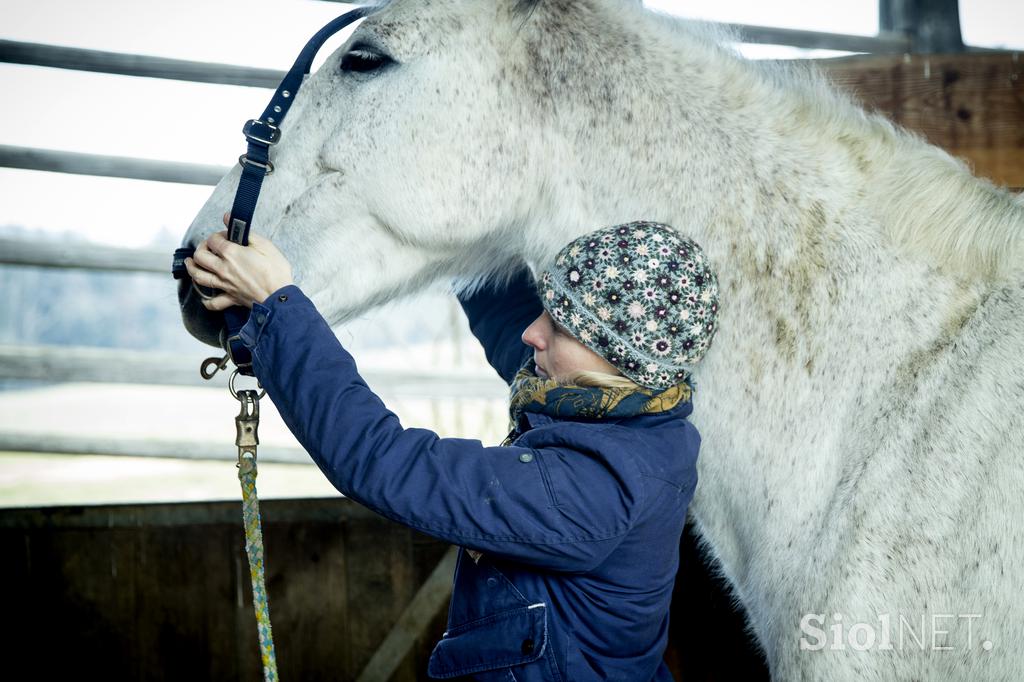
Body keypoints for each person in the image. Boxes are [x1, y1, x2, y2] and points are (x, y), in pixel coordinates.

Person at [183, 219, 720, 681]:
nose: (535, 332)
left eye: (560, 325)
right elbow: (508, 318)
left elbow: (383, 461)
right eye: (547, 310)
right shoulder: (636, 413)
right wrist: (456, 229)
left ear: (618, 360)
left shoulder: (597, 490)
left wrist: (277, 307)